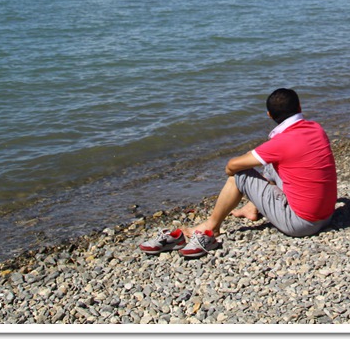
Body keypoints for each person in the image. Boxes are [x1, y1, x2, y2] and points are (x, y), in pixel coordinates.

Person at [139, 88, 337, 258]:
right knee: (271, 165)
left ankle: (213, 226)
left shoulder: (280, 143)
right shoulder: (316, 129)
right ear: (300, 107)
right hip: (327, 214)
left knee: (240, 175)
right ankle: (251, 208)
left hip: (302, 224)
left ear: (269, 115)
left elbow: (232, 166)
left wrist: (232, 170)